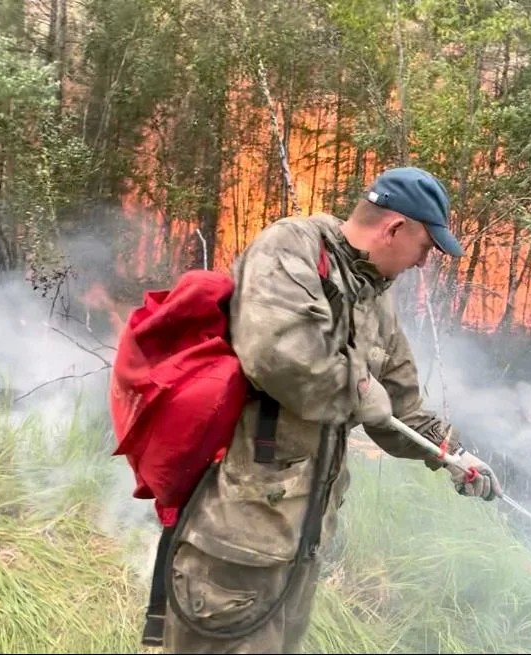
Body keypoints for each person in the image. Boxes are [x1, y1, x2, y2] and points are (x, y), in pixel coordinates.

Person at [161, 166, 502, 653]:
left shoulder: (375, 300)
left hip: (300, 549)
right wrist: (361, 390)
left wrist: (451, 454)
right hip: (235, 545)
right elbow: (279, 354)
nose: (424, 263)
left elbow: (399, 409)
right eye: (427, 248)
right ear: (394, 228)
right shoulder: (289, 248)